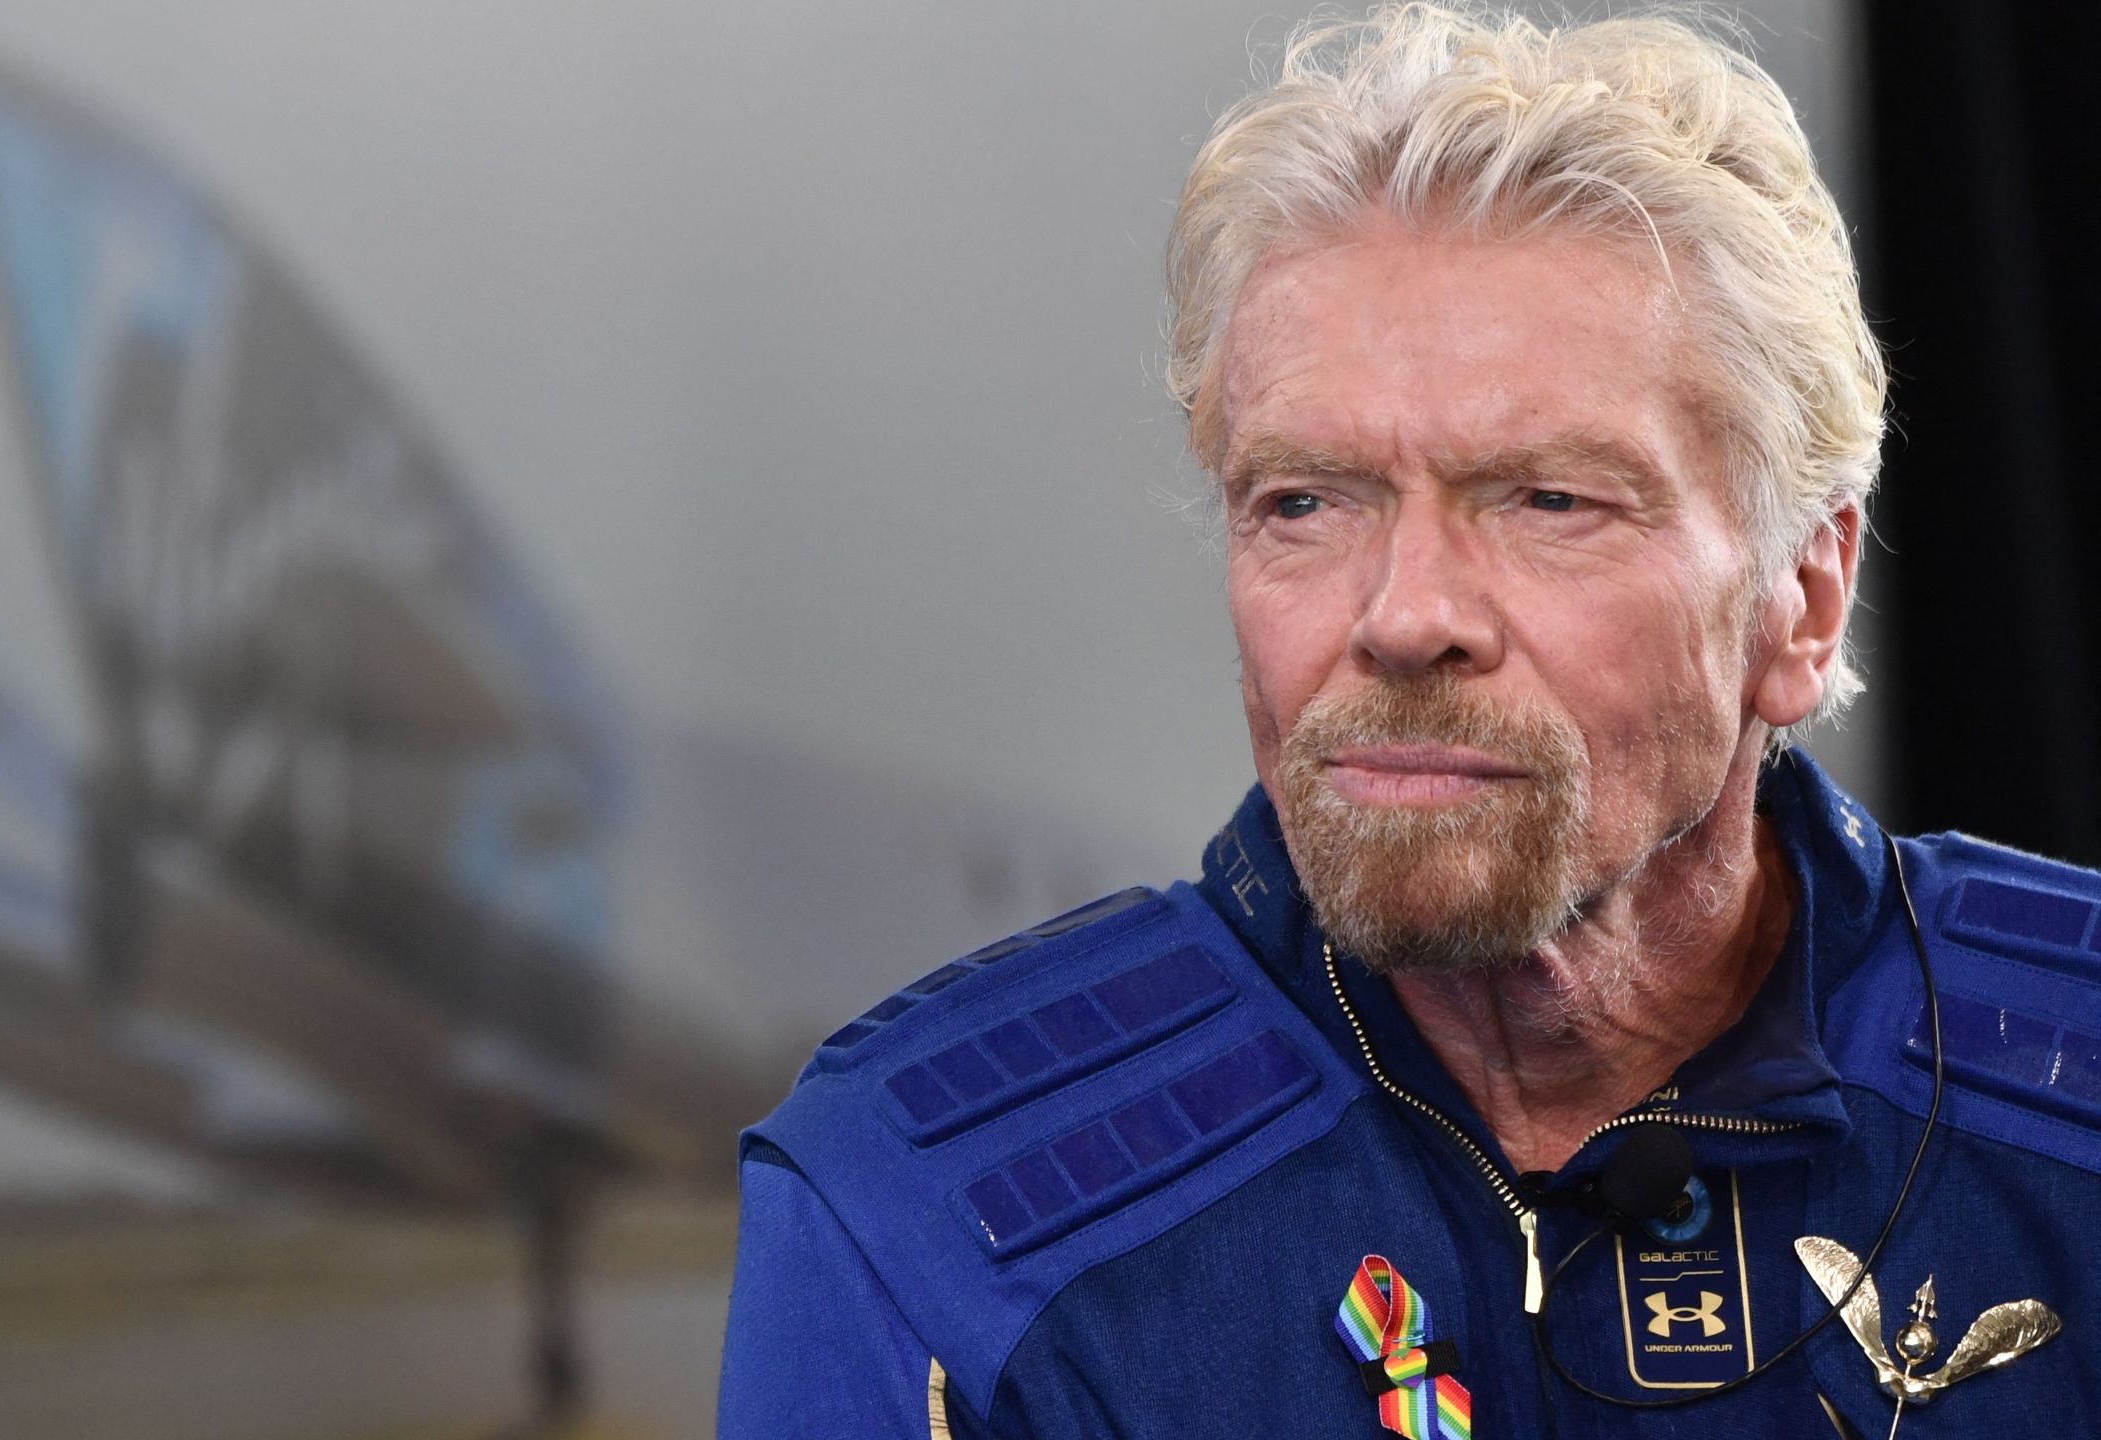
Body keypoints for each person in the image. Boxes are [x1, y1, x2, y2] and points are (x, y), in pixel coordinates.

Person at [715, 5, 2101, 1436]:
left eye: (1549, 500)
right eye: (1305, 501)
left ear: (1803, 600)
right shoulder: (924, 1199)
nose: (1402, 613)